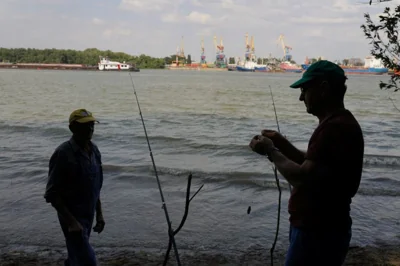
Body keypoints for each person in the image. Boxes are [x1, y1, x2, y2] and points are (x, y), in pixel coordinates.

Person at [249, 60, 364, 266]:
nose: (301, 97)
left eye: (304, 89)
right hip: (321, 228)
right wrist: (282, 143)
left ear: (323, 88)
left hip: (318, 231)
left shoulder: (334, 128)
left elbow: (303, 177)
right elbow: (315, 165)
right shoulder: (337, 123)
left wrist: (271, 150)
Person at [44, 108, 105, 266]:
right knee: (89, 261)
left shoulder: (95, 150)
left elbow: (95, 186)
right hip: (71, 216)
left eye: (92, 125)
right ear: (72, 128)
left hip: (89, 213)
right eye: (85, 125)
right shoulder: (63, 153)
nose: (90, 129)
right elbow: (51, 193)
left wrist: (99, 214)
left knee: (76, 257)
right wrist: (71, 222)